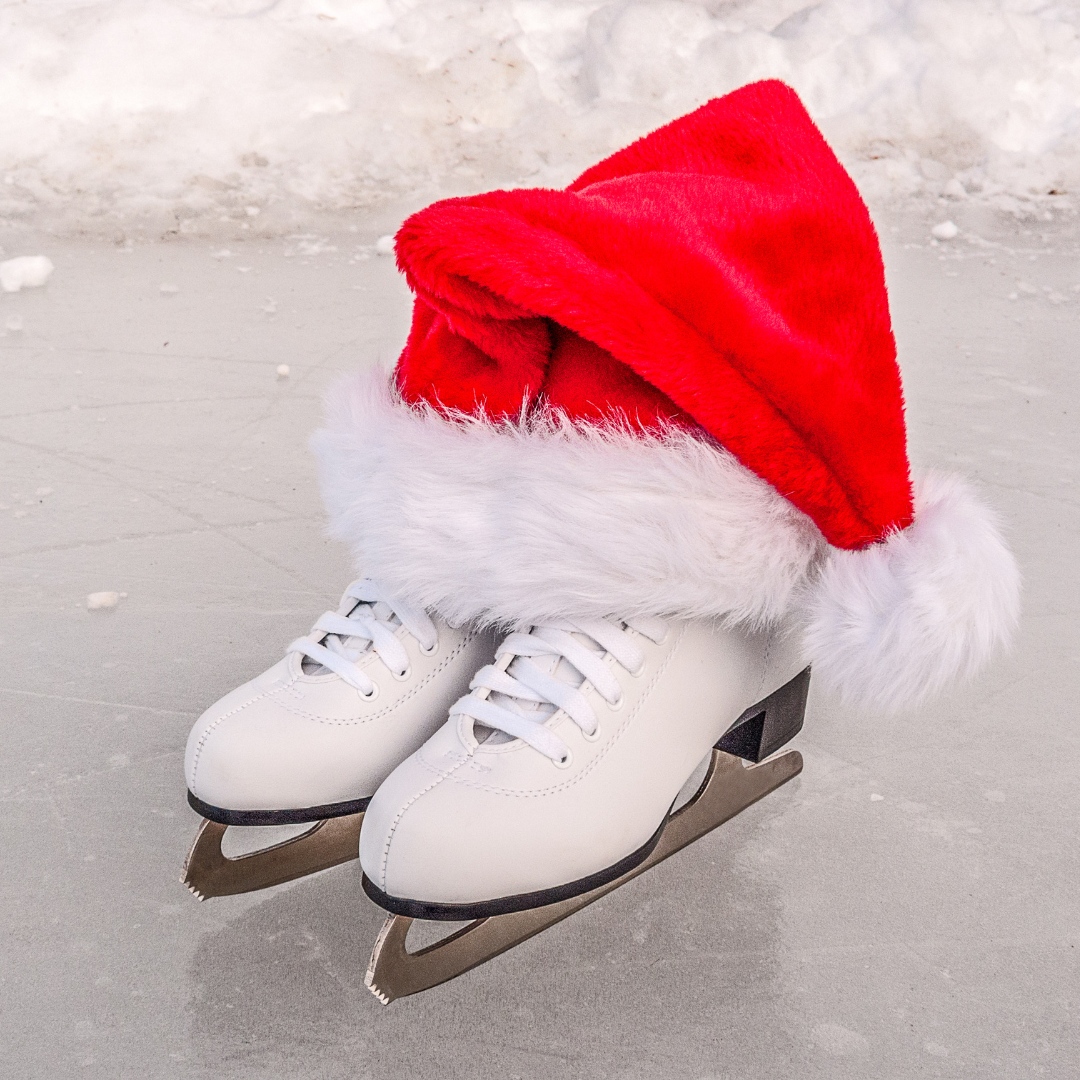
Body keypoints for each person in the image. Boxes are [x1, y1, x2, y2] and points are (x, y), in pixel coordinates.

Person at [184, 79, 1019, 917]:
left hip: (723, 587)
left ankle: (689, 624)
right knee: (566, 345)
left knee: (670, 370)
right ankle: (475, 573)